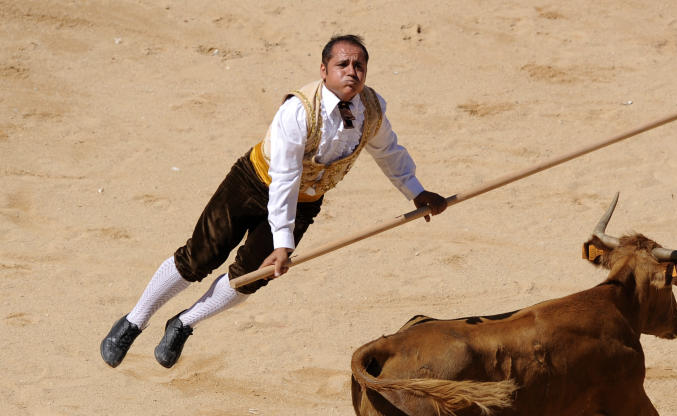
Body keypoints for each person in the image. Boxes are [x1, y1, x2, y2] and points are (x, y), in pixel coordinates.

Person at [100, 34, 447, 369]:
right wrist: (283, 240)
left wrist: (416, 191)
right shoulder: (298, 111)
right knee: (200, 257)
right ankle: (134, 320)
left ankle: (184, 323)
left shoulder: (372, 108)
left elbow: (389, 151)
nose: (352, 71)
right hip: (253, 183)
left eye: (359, 65)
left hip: (305, 202)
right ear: (324, 70)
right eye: (343, 64)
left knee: (253, 276)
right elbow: (284, 178)